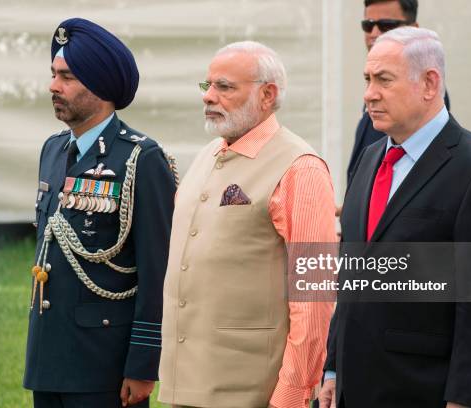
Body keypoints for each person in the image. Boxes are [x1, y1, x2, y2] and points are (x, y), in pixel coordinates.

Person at [319, 27, 471, 408]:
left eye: (383, 80)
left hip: (423, 390)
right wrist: (332, 367)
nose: (369, 94)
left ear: (430, 83)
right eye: (367, 80)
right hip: (355, 387)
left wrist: (464, 400)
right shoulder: (370, 159)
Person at [157, 41, 337, 408]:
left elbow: (315, 298)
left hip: (252, 393)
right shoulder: (208, 154)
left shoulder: (300, 167)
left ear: (267, 95)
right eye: (206, 86)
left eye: (224, 87)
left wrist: (291, 395)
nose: (208, 97)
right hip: (187, 387)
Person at [23, 18, 177, 408]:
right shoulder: (53, 149)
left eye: (68, 77)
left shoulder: (142, 159)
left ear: (103, 87)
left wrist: (144, 364)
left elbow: (158, 268)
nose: (53, 87)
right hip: (49, 354)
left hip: (102, 363)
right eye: (54, 74)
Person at [347, 0, 450, 186]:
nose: (375, 34)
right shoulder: (379, 96)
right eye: (368, 25)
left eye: (387, 25)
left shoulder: (423, 99)